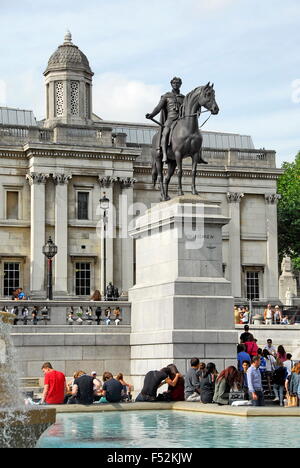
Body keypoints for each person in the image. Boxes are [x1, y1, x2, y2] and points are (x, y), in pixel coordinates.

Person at [146, 77, 186, 163]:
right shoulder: (166, 96)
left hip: (181, 120)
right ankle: (164, 154)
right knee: (166, 132)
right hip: (171, 119)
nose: (176, 84)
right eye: (174, 83)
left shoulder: (184, 98)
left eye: (178, 83)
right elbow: (158, 107)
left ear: (180, 85)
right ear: (171, 84)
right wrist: (152, 114)